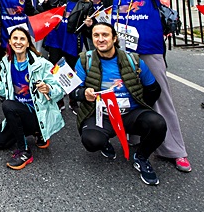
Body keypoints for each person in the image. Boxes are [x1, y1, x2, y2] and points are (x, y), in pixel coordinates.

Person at [90, 0, 192, 173]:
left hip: (150, 52)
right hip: (125, 55)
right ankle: (136, 137)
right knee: (130, 97)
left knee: (161, 99)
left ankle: (175, 150)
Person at [71, 23, 167, 186]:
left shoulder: (133, 60)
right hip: (102, 115)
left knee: (157, 123)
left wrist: (143, 108)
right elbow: (73, 92)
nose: (100, 39)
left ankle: (141, 157)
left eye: (105, 35)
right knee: (91, 141)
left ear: (114, 38)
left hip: (130, 114)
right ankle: (105, 141)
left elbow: (153, 89)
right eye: (96, 35)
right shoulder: (84, 60)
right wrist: (83, 94)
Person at [0, 27, 64, 170]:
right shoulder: (5, 62)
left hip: (37, 113)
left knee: (8, 106)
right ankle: (35, 132)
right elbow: (6, 91)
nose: (18, 42)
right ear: (9, 42)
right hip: (17, 111)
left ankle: (24, 151)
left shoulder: (41, 64)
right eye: (15, 38)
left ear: (28, 43)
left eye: (22, 39)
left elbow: (60, 90)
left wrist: (49, 89)